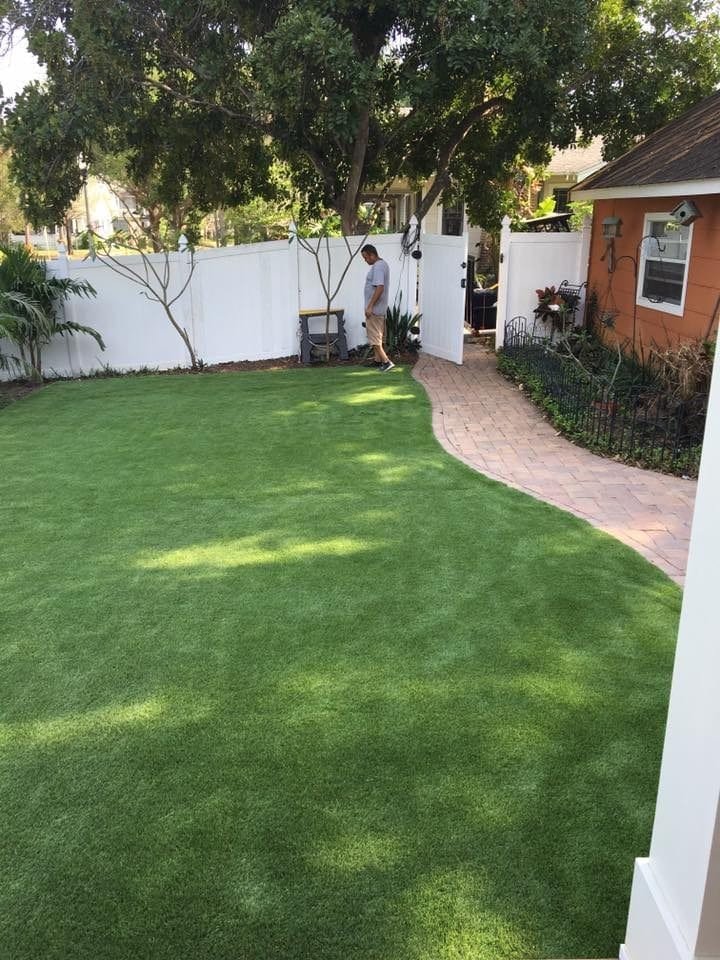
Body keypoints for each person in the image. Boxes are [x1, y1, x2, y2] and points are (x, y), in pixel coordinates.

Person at [360, 244, 394, 372]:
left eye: (365, 257)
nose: (365, 260)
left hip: (375, 309)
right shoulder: (382, 264)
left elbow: (380, 287)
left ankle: (386, 362)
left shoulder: (378, 266)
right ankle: (377, 360)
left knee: (374, 337)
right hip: (378, 308)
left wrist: (370, 306)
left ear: (372, 254)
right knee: (377, 335)